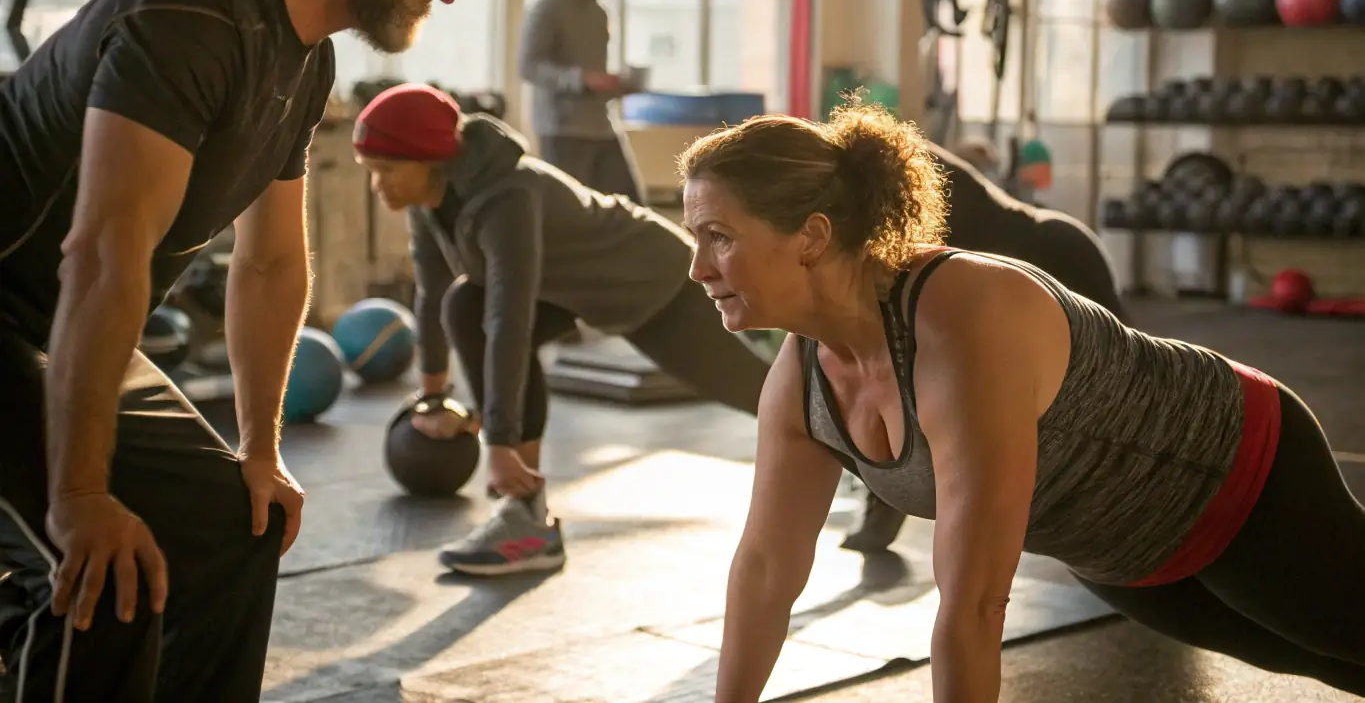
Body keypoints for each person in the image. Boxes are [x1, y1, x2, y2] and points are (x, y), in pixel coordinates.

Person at [0, 0, 486, 702]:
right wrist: (78, 498)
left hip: (48, 331)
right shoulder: (191, 9)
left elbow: (270, 263)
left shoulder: (305, 63)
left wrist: (260, 450)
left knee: (237, 520)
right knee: (99, 572)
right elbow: (104, 256)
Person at [677, 100, 1365, 702]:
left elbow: (974, 603)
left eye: (719, 237)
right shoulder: (800, 383)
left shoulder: (960, 318)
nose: (697, 267)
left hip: (1235, 474)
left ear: (812, 236)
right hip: (1119, 554)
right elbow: (768, 571)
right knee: (1333, 668)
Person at [351, 82, 773, 577]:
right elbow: (432, 292)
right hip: (571, 292)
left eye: (386, 171)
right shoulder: (431, 201)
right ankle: (526, 514)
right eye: (371, 172)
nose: (377, 186)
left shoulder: (508, 196)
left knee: (762, 396)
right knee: (465, 301)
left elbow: (510, 319)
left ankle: (871, 467)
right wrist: (432, 395)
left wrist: (500, 443)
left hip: (647, 279)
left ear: (429, 159)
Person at [841, 139, 1128, 551]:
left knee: (1109, 404)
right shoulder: (891, 165)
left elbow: (898, 381)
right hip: (1051, 249)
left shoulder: (882, 185)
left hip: (1050, 261)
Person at [518, 0, 646, 202]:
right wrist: (580, 79)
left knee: (632, 205)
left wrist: (617, 85)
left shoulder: (599, 15)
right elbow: (528, 66)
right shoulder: (549, 7)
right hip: (563, 130)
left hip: (601, 125)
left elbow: (595, 79)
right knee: (567, 210)